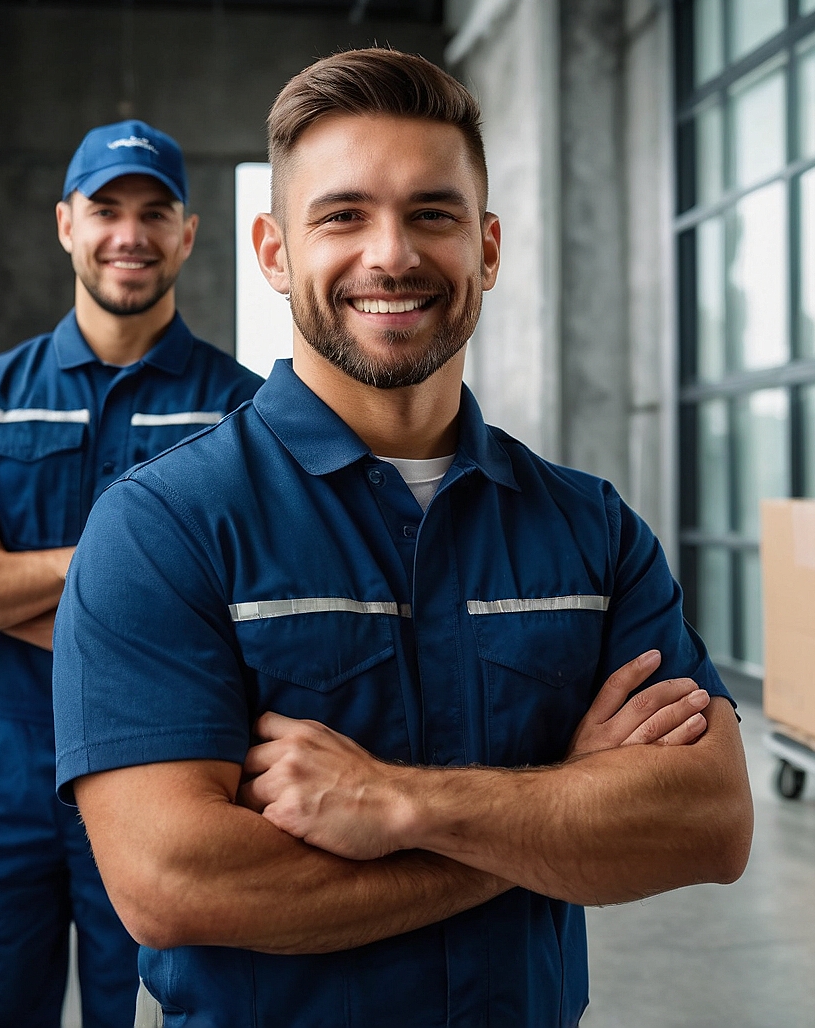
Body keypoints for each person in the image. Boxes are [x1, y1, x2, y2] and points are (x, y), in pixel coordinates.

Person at [54, 51, 753, 1028]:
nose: (391, 255)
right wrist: (553, 808)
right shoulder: (162, 528)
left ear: (487, 248)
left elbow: (707, 822)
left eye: (432, 214)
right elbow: (175, 883)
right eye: (342, 215)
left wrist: (399, 804)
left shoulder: (589, 529)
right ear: (272, 252)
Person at [0, 119, 264, 1028]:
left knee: (140, 1009)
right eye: (106, 210)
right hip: (5, 764)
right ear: (67, 224)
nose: (129, 234)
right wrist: (127, 581)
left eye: (155, 212)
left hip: (165, 769)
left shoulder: (238, 411)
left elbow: (233, 619)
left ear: (188, 233)